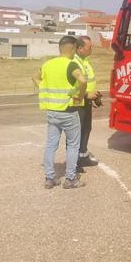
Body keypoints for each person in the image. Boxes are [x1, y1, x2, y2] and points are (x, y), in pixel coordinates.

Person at [39, 35, 87, 189]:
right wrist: (79, 95)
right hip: (68, 111)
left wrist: (45, 90)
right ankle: (71, 179)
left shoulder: (47, 64)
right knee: (73, 145)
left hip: (52, 111)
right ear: (73, 48)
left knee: (51, 145)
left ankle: (49, 178)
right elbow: (83, 80)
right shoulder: (71, 65)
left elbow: (34, 77)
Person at [73, 36, 102, 168]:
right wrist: (86, 95)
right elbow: (71, 87)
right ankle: (73, 163)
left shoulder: (85, 61)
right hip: (78, 103)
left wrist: (94, 96)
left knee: (86, 129)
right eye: (88, 47)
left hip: (87, 102)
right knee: (76, 133)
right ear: (79, 48)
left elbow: (88, 82)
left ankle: (83, 157)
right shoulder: (74, 63)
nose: (91, 49)